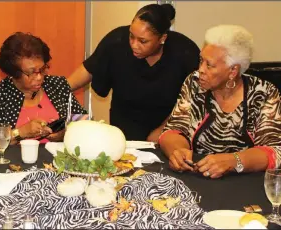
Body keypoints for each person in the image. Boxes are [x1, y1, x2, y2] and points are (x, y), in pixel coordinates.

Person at [159, 25, 281, 179]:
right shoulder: (194, 83)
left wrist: (234, 161)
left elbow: (274, 152)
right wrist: (177, 151)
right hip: (198, 176)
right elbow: (174, 129)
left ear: (233, 71)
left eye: (209, 65)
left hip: (245, 183)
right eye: (201, 60)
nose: (201, 70)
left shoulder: (264, 93)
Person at [67, 4, 200, 142]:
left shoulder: (184, 52)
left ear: (162, 39)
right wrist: (58, 90)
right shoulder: (116, 41)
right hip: (125, 124)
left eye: (143, 41)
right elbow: (90, 69)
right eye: (131, 36)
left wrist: (164, 129)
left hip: (169, 125)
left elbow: (193, 99)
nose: (134, 45)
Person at [0, 32, 87, 148]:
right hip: (14, 163)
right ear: (14, 73)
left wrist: (66, 134)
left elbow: (83, 122)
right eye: (30, 73)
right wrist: (21, 133)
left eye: (42, 69)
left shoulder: (58, 85)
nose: (39, 77)